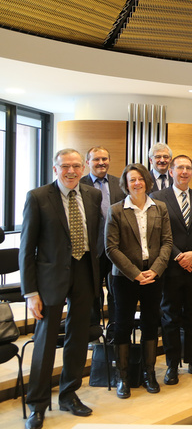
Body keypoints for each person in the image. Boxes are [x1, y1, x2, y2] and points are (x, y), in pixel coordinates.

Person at [20, 149, 102, 429]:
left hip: (84, 273)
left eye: (76, 166)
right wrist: (31, 292)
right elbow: (26, 248)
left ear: (83, 168)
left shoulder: (93, 195)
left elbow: (95, 238)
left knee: (78, 339)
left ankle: (69, 395)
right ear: (55, 169)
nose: (71, 171)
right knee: (44, 344)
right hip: (49, 280)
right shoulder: (38, 197)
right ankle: (37, 405)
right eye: (65, 166)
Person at [105, 163, 173, 398]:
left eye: (140, 179)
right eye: (132, 179)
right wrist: (134, 273)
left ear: (147, 181)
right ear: (125, 184)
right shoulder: (116, 210)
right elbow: (111, 248)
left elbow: (167, 242)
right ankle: (123, 377)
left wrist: (155, 270)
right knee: (123, 324)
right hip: (125, 277)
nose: (137, 183)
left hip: (153, 275)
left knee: (150, 323)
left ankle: (149, 373)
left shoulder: (160, 207)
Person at [151, 155, 192, 384]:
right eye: (180, 167)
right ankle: (172, 364)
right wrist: (179, 255)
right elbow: (157, 231)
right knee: (170, 317)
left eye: (188, 167)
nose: (184, 171)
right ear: (171, 171)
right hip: (170, 268)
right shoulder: (157, 198)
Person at [79, 146, 125, 333]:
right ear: (88, 162)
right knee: (93, 292)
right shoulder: (80, 184)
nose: (101, 163)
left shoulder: (119, 183)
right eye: (96, 159)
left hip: (116, 246)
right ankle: (93, 332)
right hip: (92, 248)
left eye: (104, 159)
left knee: (116, 291)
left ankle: (114, 330)